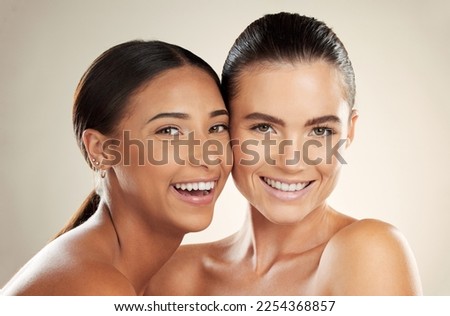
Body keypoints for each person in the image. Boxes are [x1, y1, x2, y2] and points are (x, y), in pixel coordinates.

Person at [145, 12, 422, 295]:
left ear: (349, 132)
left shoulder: (369, 252)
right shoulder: (170, 276)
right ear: (226, 128)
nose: (291, 162)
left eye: (320, 131)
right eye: (264, 128)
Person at [1, 40, 231, 295]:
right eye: (169, 131)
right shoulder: (95, 287)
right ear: (101, 150)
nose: (208, 157)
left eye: (217, 127)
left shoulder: (122, 275)